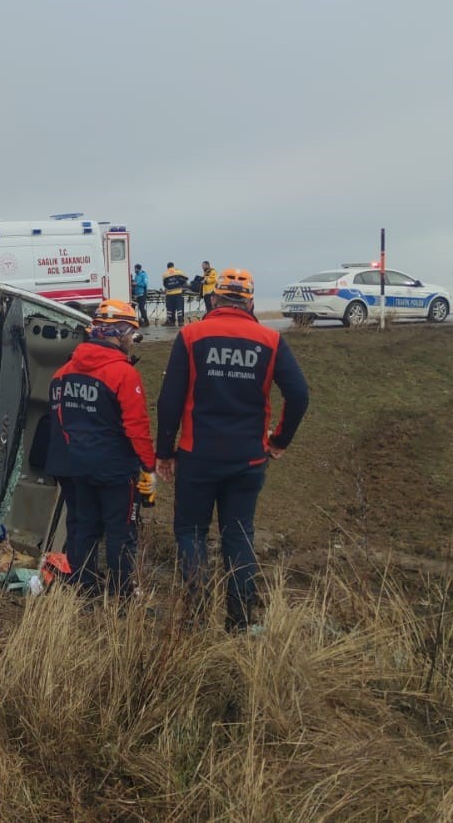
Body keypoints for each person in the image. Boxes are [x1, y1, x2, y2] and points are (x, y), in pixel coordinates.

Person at [156, 268, 309, 631]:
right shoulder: (270, 340)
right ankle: (239, 624)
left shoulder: (191, 335)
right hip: (248, 459)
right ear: (251, 302)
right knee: (238, 536)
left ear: (213, 299)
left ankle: (194, 617)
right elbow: (299, 395)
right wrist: (278, 442)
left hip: (198, 456)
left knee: (191, 532)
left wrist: (165, 451)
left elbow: (169, 400)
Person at [47, 299, 156, 596]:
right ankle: (121, 600)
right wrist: (149, 467)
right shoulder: (123, 374)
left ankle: (85, 593)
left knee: (84, 529)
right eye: (132, 335)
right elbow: (137, 427)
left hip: (76, 467)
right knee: (121, 533)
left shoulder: (62, 374)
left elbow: (57, 422)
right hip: (115, 470)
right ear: (121, 334)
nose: (133, 342)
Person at [161, 261, 189, 327]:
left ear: (167, 267)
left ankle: (171, 322)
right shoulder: (179, 272)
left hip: (169, 294)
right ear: (173, 266)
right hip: (178, 293)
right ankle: (180, 322)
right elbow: (186, 278)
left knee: (170, 309)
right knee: (180, 308)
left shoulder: (165, 274)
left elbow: (164, 284)